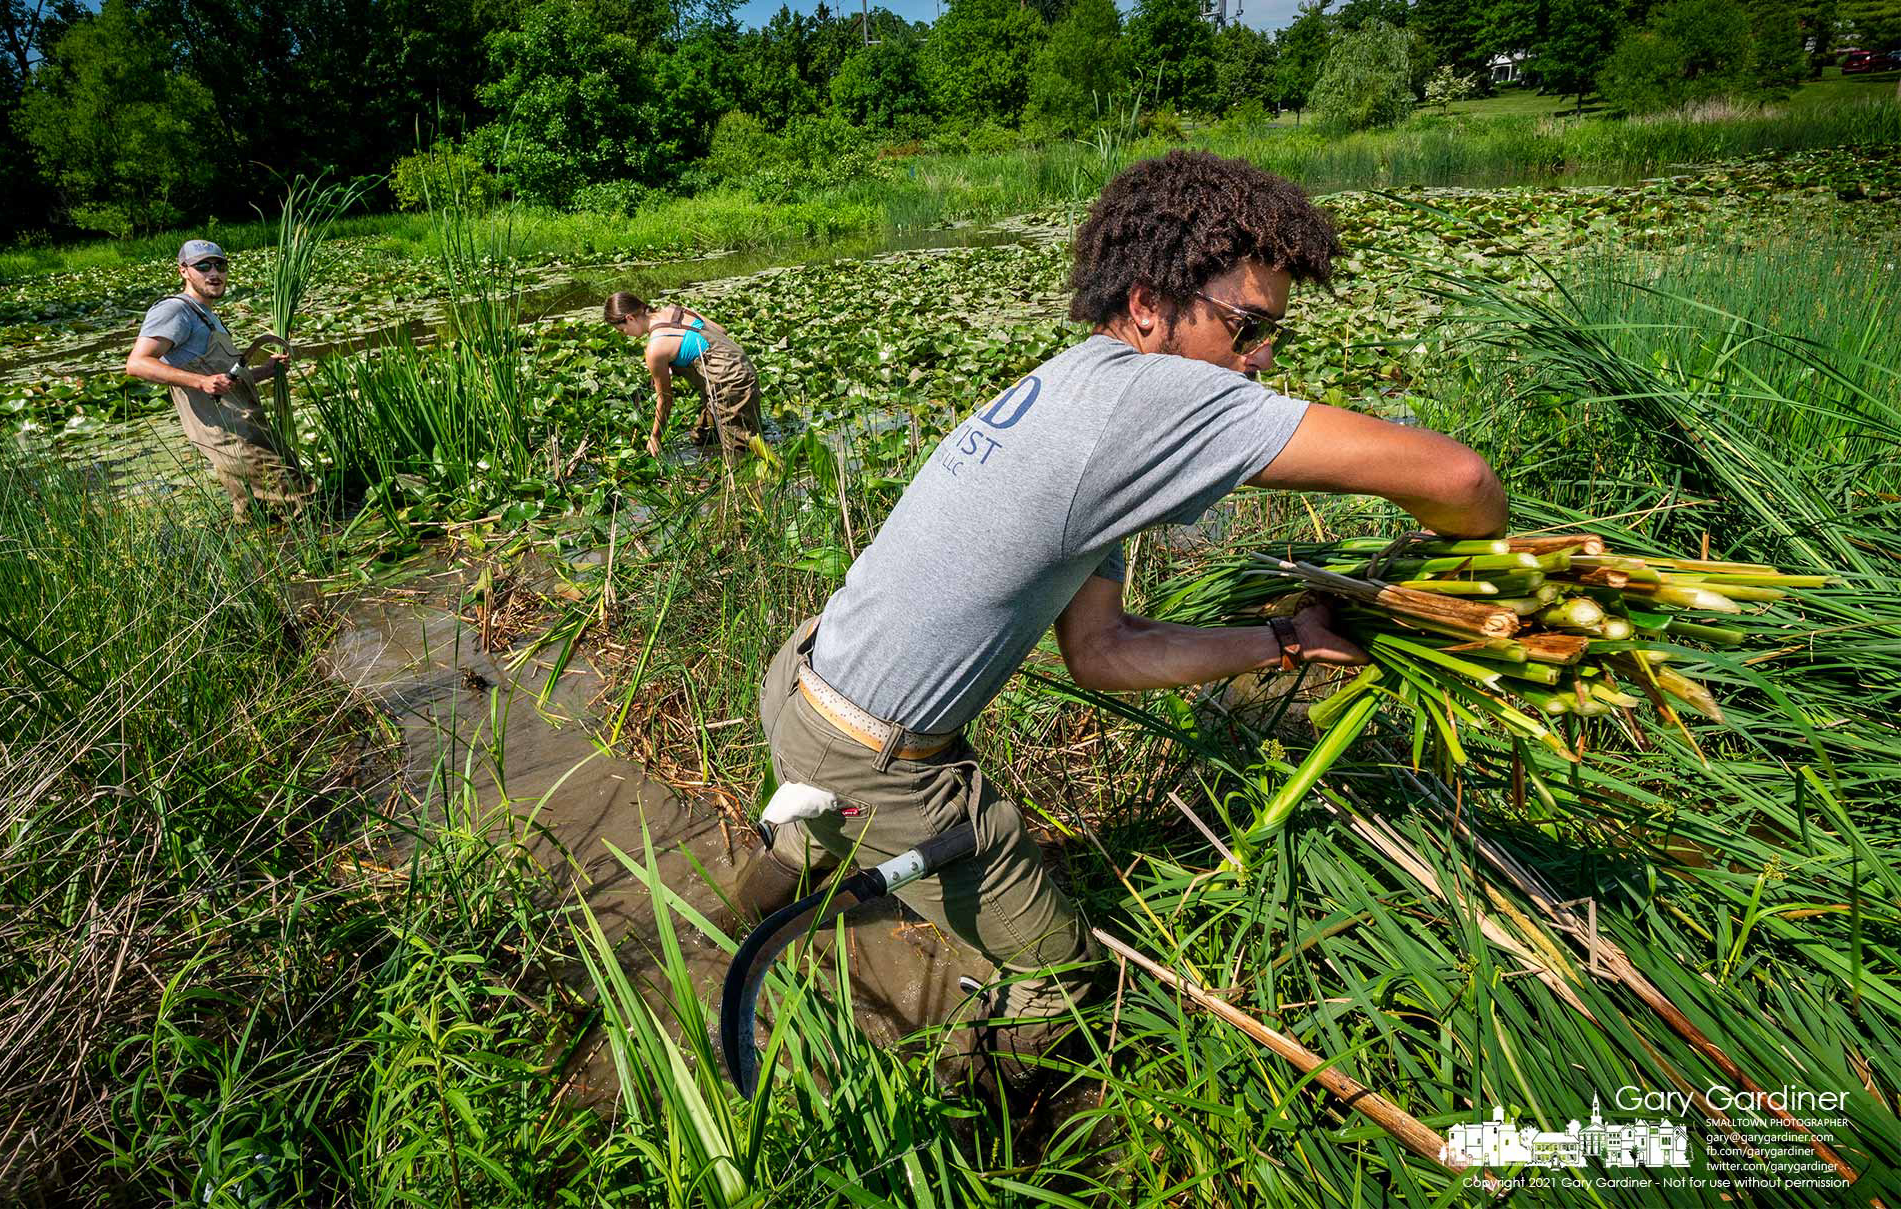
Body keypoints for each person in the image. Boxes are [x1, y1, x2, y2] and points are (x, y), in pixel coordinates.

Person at [738, 150, 1509, 1105]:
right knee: (1056, 975)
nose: (1260, 357)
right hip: (876, 752)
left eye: (1271, 334)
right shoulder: (1152, 400)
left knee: (814, 831)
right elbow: (1460, 479)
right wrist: (1481, 576)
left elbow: (1102, 653)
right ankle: (960, 1143)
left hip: (804, 682)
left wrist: (1286, 641)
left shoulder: (1080, 390)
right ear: (1149, 306)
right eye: (1247, 326)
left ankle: (744, 910)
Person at [124, 240, 311, 521]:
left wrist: (265, 370)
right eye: (203, 266)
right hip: (229, 437)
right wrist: (199, 382)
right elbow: (137, 363)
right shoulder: (175, 311)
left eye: (220, 265)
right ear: (184, 271)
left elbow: (225, 379)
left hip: (246, 428)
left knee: (259, 520)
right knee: (303, 500)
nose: (214, 273)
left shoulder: (207, 315)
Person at [603, 292, 763, 457]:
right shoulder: (676, 310)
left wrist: (655, 437)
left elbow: (665, 400)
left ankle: (773, 467)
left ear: (630, 318)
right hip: (744, 367)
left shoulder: (655, 349)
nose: (625, 334)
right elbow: (721, 331)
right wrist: (681, 355)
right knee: (703, 436)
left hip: (728, 386)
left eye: (622, 330)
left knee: (739, 454)